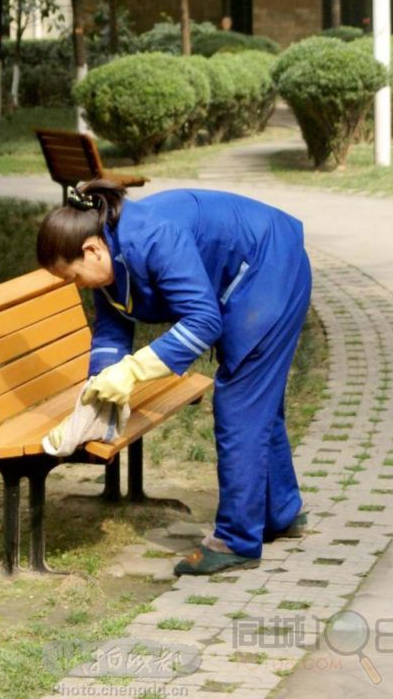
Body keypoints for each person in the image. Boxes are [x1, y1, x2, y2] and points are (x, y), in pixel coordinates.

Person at [36, 181, 311, 575]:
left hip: (269, 268)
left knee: (239, 405)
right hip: (255, 272)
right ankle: (282, 512)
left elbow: (202, 322)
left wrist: (132, 372)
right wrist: (97, 390)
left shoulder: (151, 239)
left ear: (91, 250)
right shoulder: (109, 250)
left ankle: (236, 540)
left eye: (73, 277)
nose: (75, 286)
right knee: (257, 402)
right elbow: (113, 327)